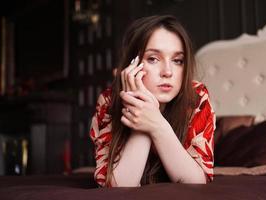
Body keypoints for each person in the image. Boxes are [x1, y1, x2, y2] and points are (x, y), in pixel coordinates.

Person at [89, 15, 215, 187]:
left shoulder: (197, 97)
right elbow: (119, 187)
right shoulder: (109, 101)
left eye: (178, 61)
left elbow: (196, 183)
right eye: (153, 59)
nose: (168, 72)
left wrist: (156, 124)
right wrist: (140, 109)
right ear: (131, 65)